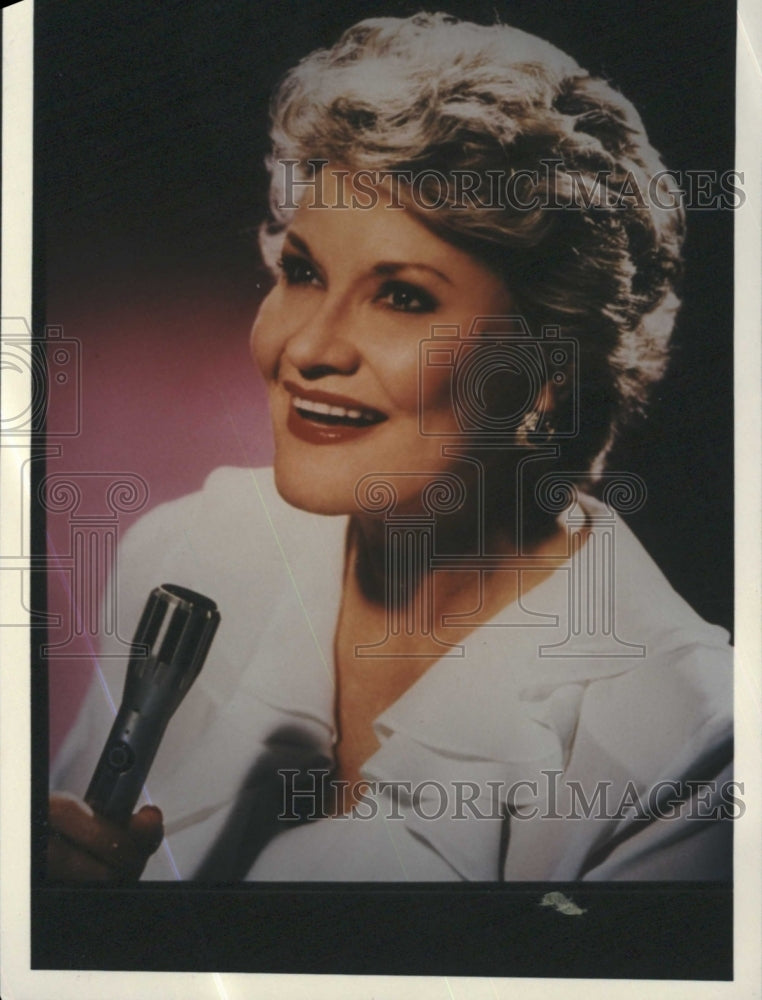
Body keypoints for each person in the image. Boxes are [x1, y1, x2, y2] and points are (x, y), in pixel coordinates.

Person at [48, 12, 733, 882]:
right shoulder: (186, 553)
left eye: (402, 297)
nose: (308, 348)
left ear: (545, 370)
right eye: (302, 271)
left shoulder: (691, 752)